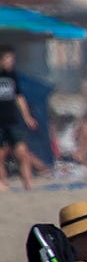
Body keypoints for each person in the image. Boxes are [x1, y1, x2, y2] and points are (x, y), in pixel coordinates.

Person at [0, 45, 39, 191]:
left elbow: (19, 97)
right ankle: (2, 183)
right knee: (1, 155)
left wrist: (28, 117)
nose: (12, 62)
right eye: (9, 59)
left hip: (12, 119)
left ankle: (28, 183)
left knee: (22, 152)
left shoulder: (12, 76)